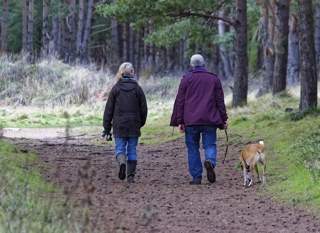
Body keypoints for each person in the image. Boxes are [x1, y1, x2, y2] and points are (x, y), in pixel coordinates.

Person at [170, 54, 228, 185]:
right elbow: (220, 101)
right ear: (204, 64)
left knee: (192, 148)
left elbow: (180, 101)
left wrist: (180, 121)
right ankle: (210, 163)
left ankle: (196, 177)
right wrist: (223, 119)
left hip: (191, 121)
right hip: (210, 120)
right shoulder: (213, 79)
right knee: (210, 144)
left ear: (191, 65)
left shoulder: (186, 79)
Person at [103, 62, 148, 183]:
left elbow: (108, 110)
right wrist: (140, 123)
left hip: (119, 125)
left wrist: (106, 128)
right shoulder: (138, 88)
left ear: (120, 73)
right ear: (132, 73)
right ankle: (131, 176)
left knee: (120, 149)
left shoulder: (116, 89)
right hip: (134, 124)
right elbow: (144, 109)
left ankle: (122, 163)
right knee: (132, 150)